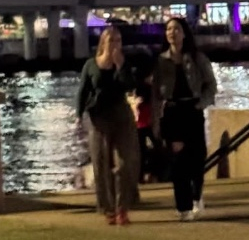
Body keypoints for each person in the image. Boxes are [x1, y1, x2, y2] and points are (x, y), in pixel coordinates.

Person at [75, 23, 141, 226]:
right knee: (101, 162)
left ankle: (123, 207)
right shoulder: (91, 65)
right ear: (103, 42)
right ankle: (108, 208)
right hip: (99, 117)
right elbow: (83, 90)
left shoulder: (123, 63)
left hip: (121, 115)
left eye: (118, 40)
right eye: (111, 40)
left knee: (125, 162)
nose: (115, 44)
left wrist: (120, 67)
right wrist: (79, 115)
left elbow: (130, 85)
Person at [152, 16, 216, 221]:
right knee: (178, 162)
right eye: (168, 29)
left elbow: (211, 84)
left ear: (184, 33)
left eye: (176, 29)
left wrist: (201, 103)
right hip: (172, 111)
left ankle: (197, 196)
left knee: (196, 158)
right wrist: (155, 120)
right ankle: (183, 207)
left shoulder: (197, 58)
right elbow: (155, 93)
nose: (172, 33)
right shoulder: (161, 61)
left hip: (193, 109)